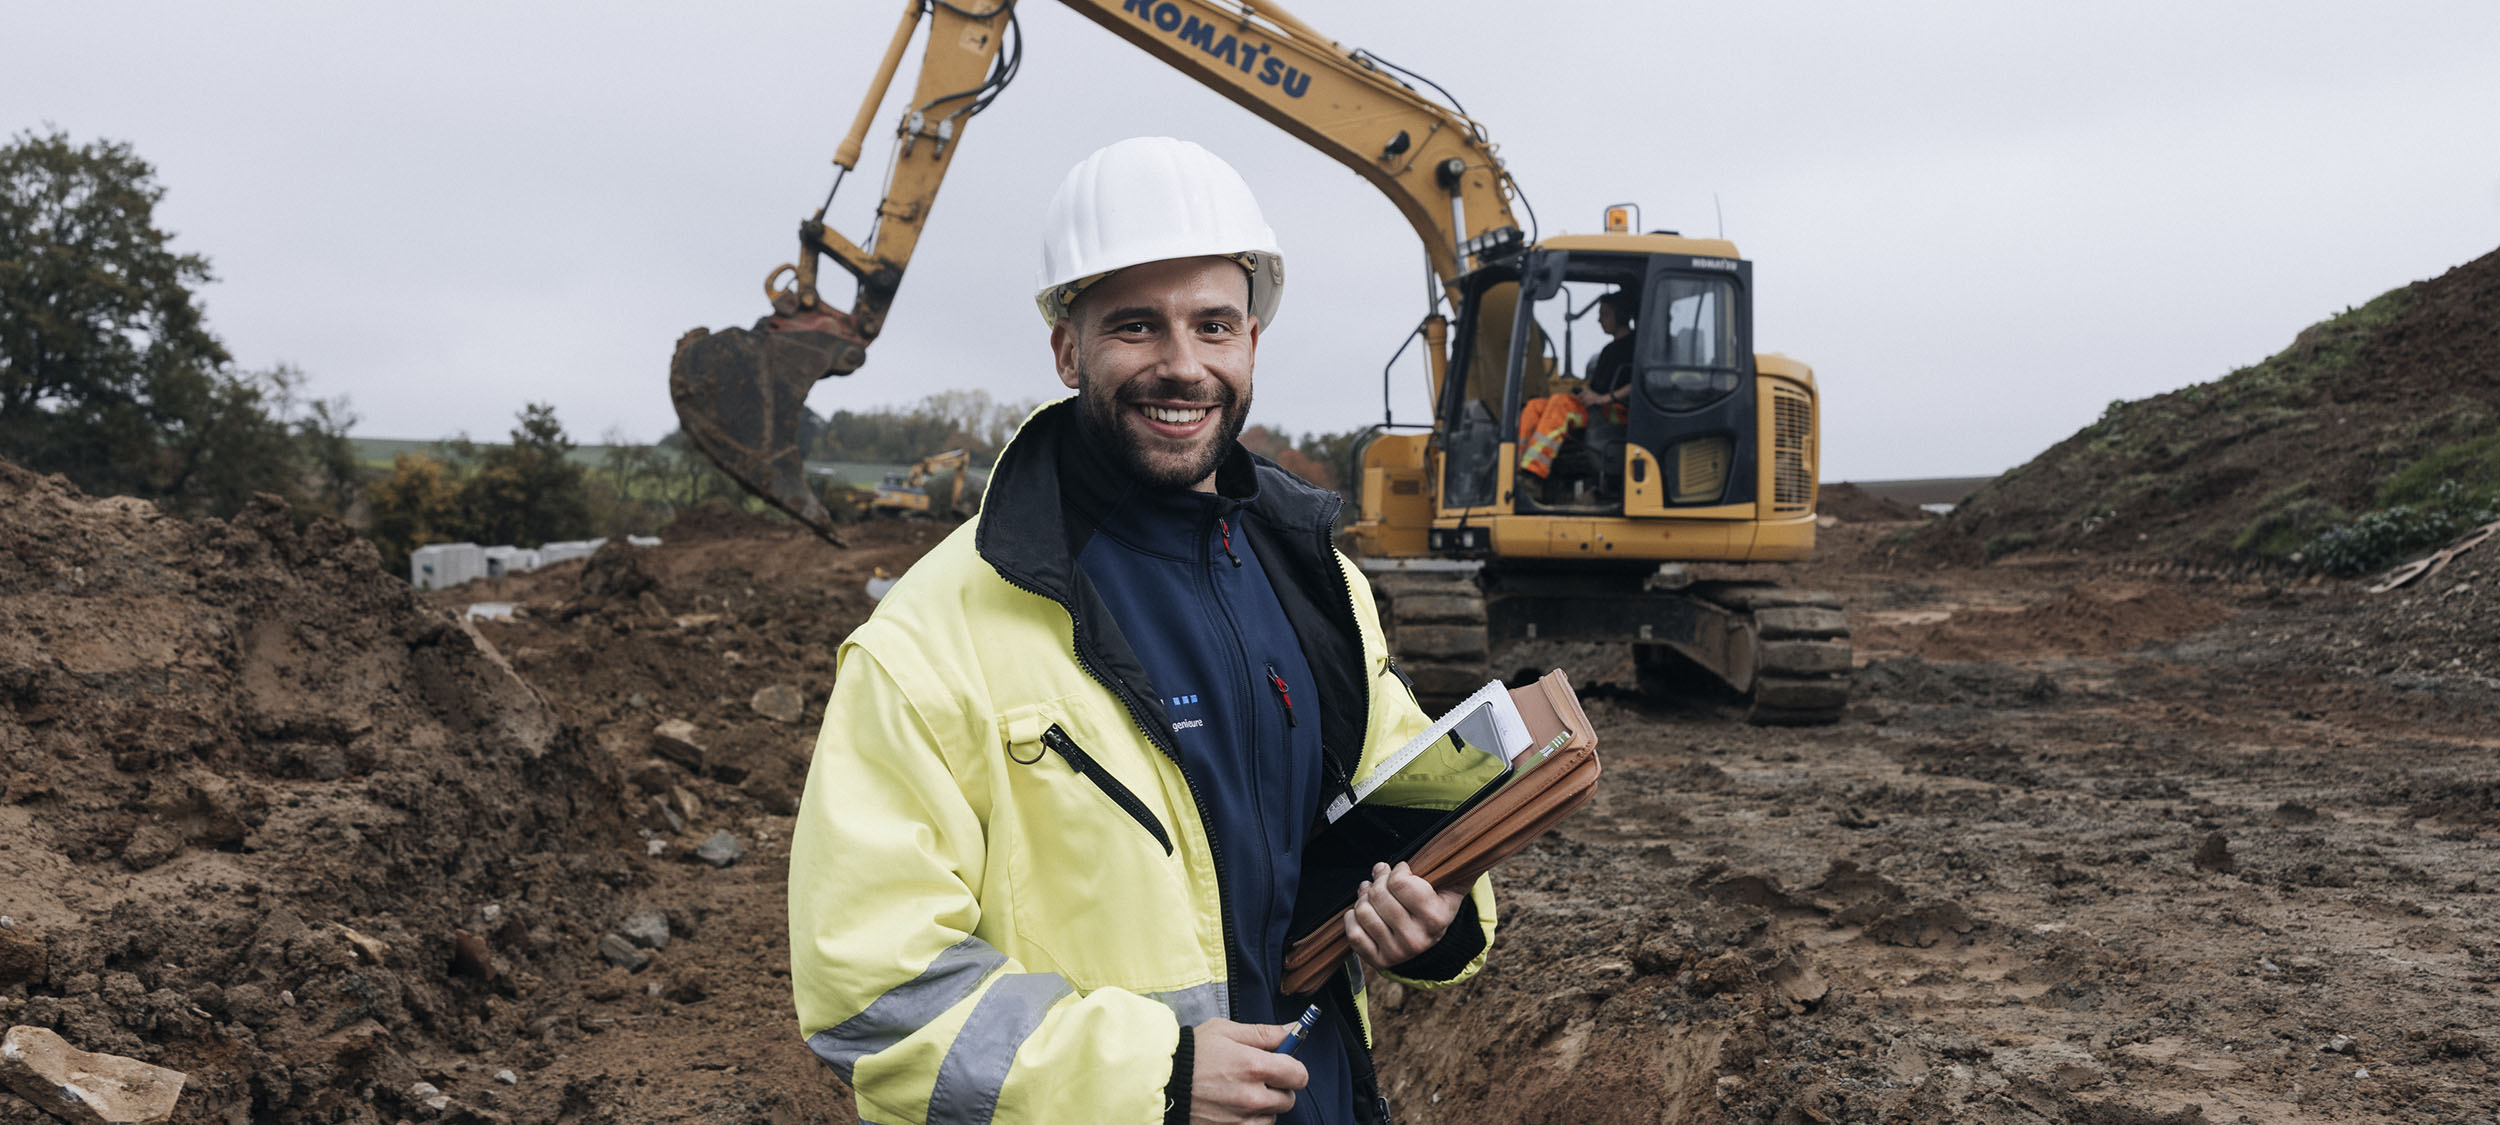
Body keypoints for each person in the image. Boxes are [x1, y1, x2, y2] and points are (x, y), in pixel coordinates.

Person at [789, 136, 1498, 1125]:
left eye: (1214, 325)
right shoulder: (932, 637)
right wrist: (1149, 1079)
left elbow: (1400, 807)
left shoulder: (1318, 580)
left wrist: (1436, 911)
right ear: (1066, 348)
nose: (1182, 366)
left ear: (1253, 340)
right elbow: (871, 996)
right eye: (1136, 326)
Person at [1516, 289, 1636, 485]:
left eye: (1604, 314)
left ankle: (1534, 475)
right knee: (1535, 406)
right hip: (1600, 407)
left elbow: (1639, 383)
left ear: (1621, 315)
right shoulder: (1608, 350)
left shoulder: (1636, 347)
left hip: (1619, 411)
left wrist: (1604, 398)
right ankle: (1517, 468)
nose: (1599, 320)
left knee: (1561, 405)